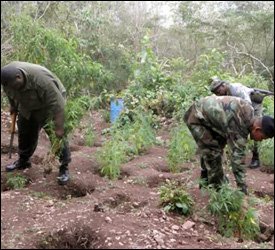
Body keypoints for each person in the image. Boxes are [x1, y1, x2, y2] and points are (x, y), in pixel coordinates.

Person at [184, 95, 274, 195]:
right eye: (262, 137)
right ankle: (218, 193)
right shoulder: (240, 123)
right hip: (197, 117)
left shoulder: (249, 113)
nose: (260, 140)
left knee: (216, 149)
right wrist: (242, 189)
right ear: (257, 129)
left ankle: (205, 182)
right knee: (213, 153)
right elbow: (237, 159)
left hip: (212, 121)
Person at [1, 61, 71, 185]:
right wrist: (13, 106)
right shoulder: (8, 80)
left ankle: (63, 167)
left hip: (48, 105)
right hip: (27, 104)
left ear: (19, 77)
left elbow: (58, 105)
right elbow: (10, 93)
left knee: (57, 136)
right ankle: (23, 160)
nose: (10, 88)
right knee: (24, 131)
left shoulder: (42, 82)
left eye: (13, 86)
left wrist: (59, 128)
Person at [209, 77, 264, 169]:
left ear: (223, 85)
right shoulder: (223, 94)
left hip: (253, 106)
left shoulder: (237, 89)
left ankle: (255, 157)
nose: (217, 94)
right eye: (215, 93)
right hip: (240, 108)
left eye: (218, 91)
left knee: (255, 129)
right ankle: (236, 153)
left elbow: (248, 106)